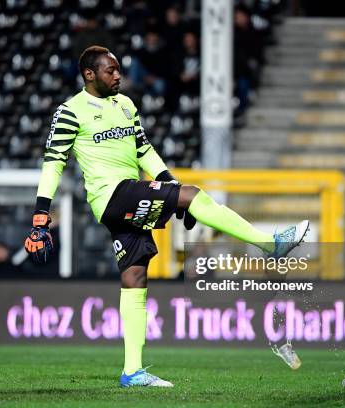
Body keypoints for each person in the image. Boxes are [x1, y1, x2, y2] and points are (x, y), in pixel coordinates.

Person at [25, 45, 309, 388]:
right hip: (111, 195)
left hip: (128, 195)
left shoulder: (126, 105)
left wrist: (169, 186)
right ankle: (270, 244)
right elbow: (54, 163)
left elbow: (144, 150)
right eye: (110, 71)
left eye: (118, 70)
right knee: (193, 195)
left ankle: (132, 372)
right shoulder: (70, 111)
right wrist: (41, 215)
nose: (118, 76)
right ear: (89, 74)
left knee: (134, 275)